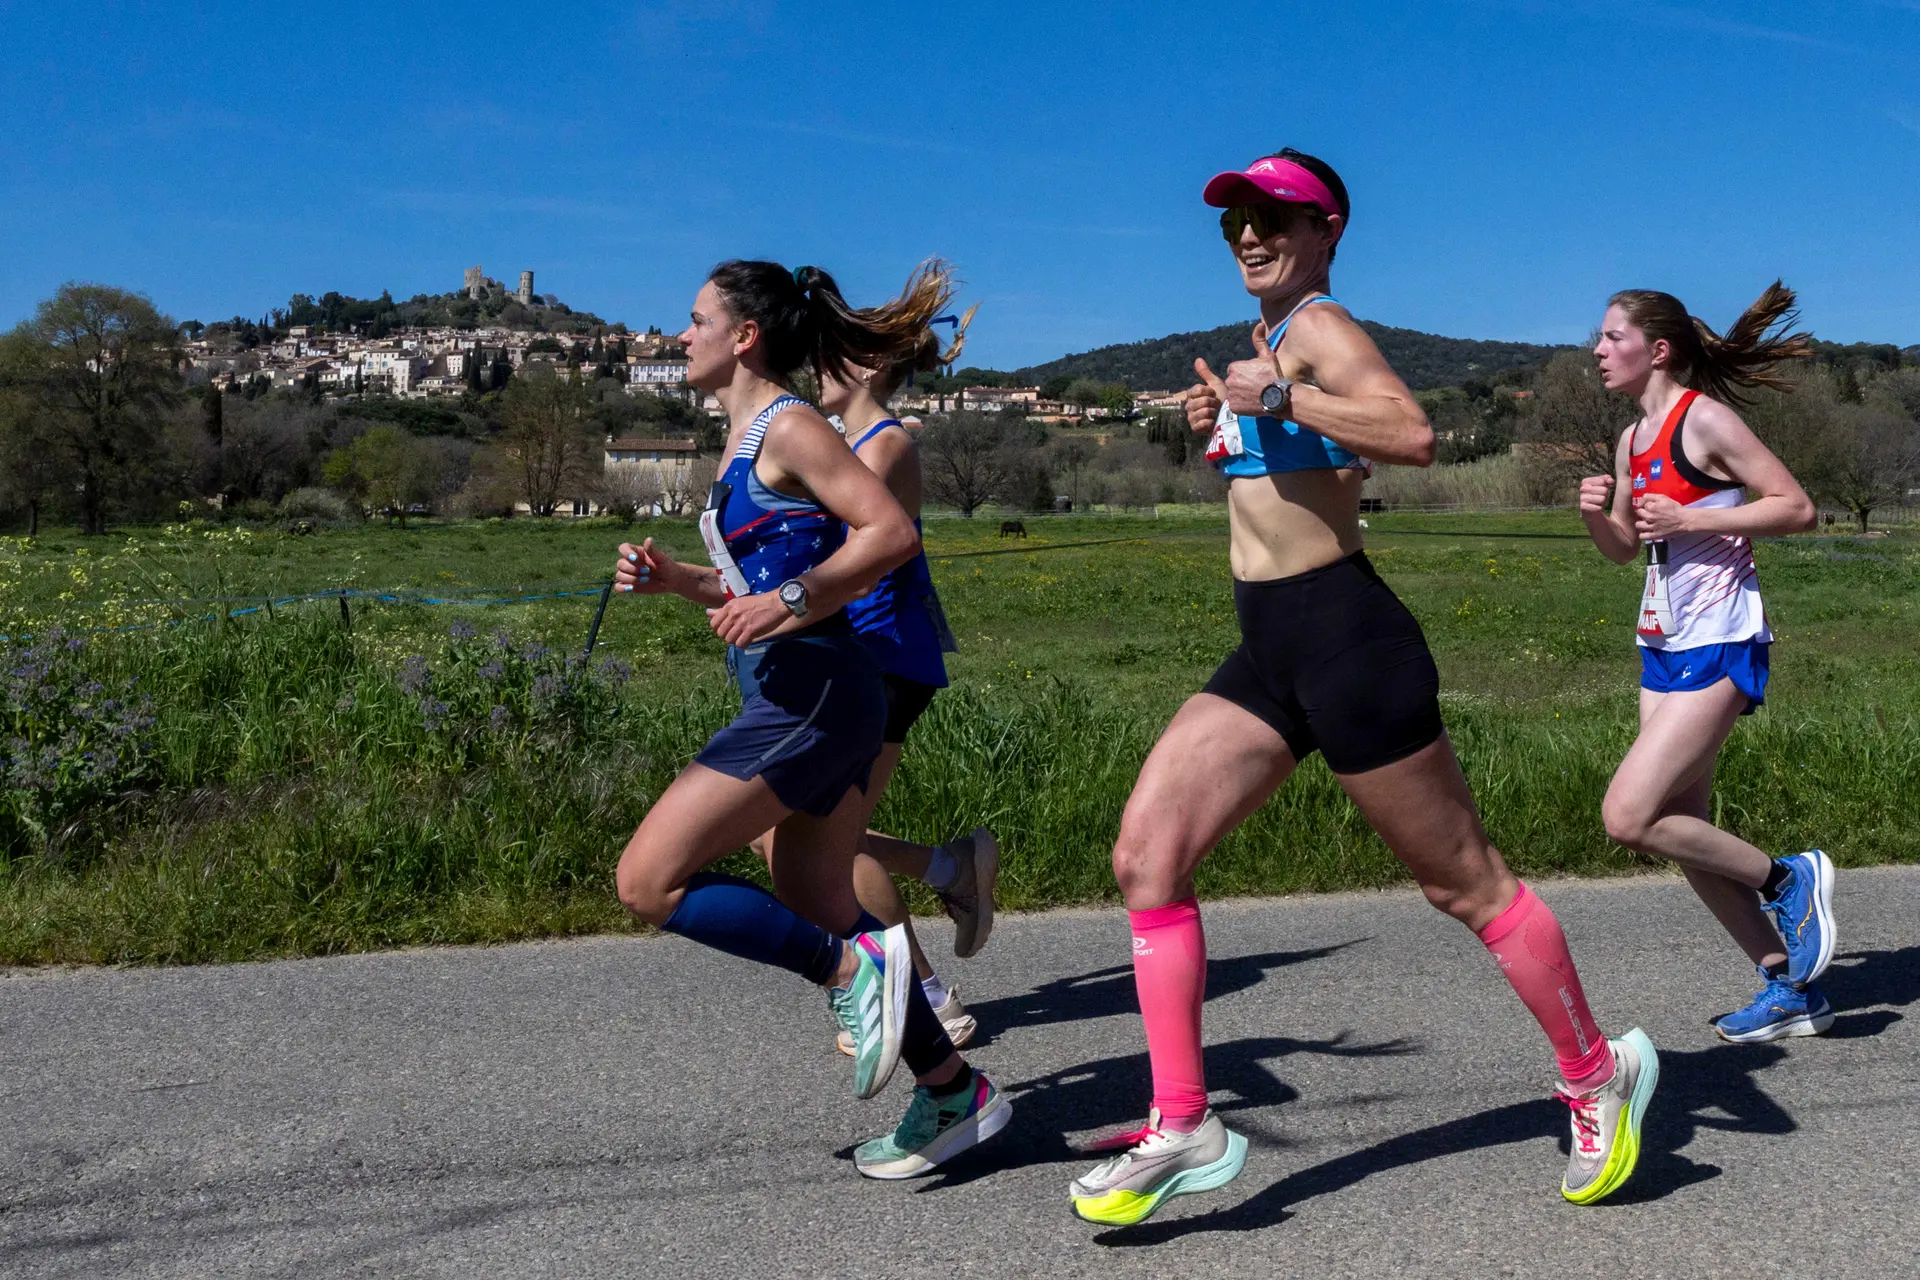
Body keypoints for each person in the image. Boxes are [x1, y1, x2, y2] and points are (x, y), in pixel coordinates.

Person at [1068, 149, 1657, 1226]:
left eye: (1274, 218)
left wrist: (1280, 395)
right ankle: (1184, 1120)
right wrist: (1234, 422)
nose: (1251, 235)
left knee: (1466, 885)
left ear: (1327, 228)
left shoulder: (1319, 329)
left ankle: (1596, 1071)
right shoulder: (1267, 343)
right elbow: (1333, 468)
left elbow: (1414, 434)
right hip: (1269, 652)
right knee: (1146, 855)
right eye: (1236, 221)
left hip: (1347, 641)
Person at [612, 259, 1009, 1180]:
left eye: (697, 319)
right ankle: (954, 1090)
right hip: (801, 687)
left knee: (647, 881)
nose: (682, 335)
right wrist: (679, 581)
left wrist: (789, 598)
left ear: (744, 336)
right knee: (819, 895)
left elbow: (889, 533)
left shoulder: (789, 426)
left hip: (818, 690)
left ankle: (849, 974)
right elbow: (757, 587)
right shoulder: (743, 441)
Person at [750, 262, 1001, 1055]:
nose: (817, 370)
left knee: (814, 841)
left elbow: (847, 557)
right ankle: (946, 872)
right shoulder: (849, 443)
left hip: (883, 659)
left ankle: (925, 998)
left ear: (866, 366)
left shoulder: (885, 447)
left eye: (830, 358)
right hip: (852, 659)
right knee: (797, 835)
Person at [1578, 284, 1830, 1043]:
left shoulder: (1706, 421)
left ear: (1657, 350)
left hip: (1722, 636)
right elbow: (1626, 548)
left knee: (1629, 816)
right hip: (1662, 643)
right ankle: (1789, 987)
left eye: (1611, 337)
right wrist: (1596, 516)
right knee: (1679, 829)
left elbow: (1797, 507)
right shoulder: (1631, 439)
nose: (1597, 350)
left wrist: (1690, 516)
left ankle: (1788, 877)